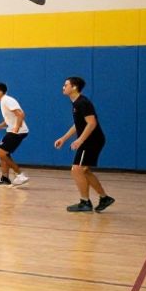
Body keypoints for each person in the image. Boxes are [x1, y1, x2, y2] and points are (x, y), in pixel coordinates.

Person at [54, 76, 113, 212]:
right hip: (91, 140)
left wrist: (80, 140)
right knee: (84, 171)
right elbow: (78, 124)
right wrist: (64, 138)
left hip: (91, 141)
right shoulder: (76, 103)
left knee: (77, 170)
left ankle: (85, 202)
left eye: (66, 85)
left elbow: (92, 123)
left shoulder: (82, 103)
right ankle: (104, 198)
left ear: (74, 87)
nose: (63, 87)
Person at [0, 82, 30, 187]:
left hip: (18, 131)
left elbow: (21, 114)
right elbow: (7, 121)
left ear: (0, 91)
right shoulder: (3, 101)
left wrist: (16, 127)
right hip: (12, 130)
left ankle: (20, 175)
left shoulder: (7, 100)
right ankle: (5, 179)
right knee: (2, 152)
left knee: (1, 152)